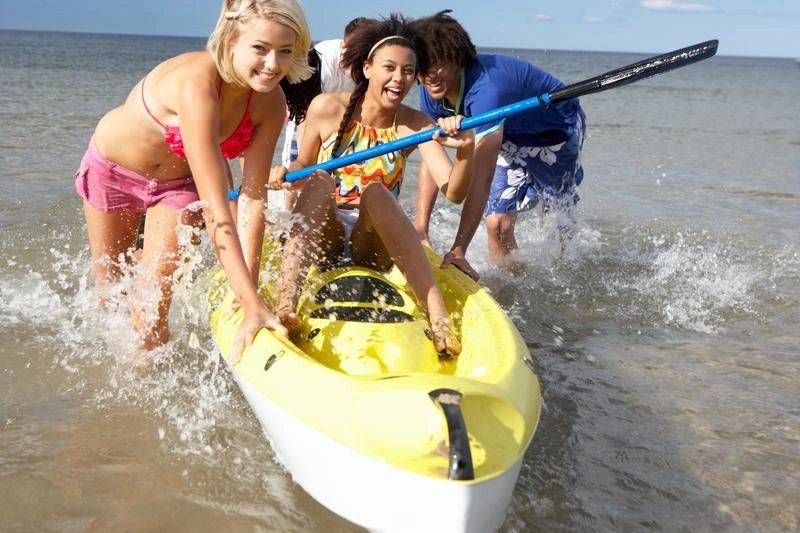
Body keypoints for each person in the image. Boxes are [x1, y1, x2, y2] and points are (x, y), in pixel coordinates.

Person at [75, 0, 313, 360]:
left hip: (177, 186)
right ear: (231, 41)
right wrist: (250, 301)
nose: (272, 65)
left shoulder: (270, 102)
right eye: (260, 49)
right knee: (112, 295)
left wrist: (246, 295)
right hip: (113, 172)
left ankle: (147, 393)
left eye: (284, 51)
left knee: (151, 314)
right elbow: (219, 210)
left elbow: (251, 199)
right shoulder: (196, 84)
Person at [268, 14, 475, 357]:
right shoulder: (325, 107)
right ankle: (285, 306)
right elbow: (304, 165)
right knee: (319, 180)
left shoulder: (414, 124)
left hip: (372, 245)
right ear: (367, 69)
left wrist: (466, 150)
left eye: (408, 71)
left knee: (376, 191)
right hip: (327, 236)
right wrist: (286, 171)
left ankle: (438, 319)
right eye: (390, 68)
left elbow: (453, 191)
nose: (399, 78)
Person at [411, 10, 587, 281]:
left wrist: (458, 249)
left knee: (557, 216)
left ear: (457, 58)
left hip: (555, 132)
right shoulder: (431, 89)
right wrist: (420, 230)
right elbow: (431, 156)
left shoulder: (488, 90)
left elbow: (481, 179)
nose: (430, 74)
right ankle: (512, 286)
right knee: (497, 225)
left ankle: (570, 276)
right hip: (508, 137)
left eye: (439, 63)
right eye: (423, 66)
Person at [279, 17, 368, 209]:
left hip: (340, 117)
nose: (356, 65)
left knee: (337, 170)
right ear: (343, 46)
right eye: (351, 55)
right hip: (304, 113)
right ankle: (288, 214)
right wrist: (305, 160)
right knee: (295, 164)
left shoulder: (367, 67)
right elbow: (305, 117)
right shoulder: (321, 61)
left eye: (362, 59)